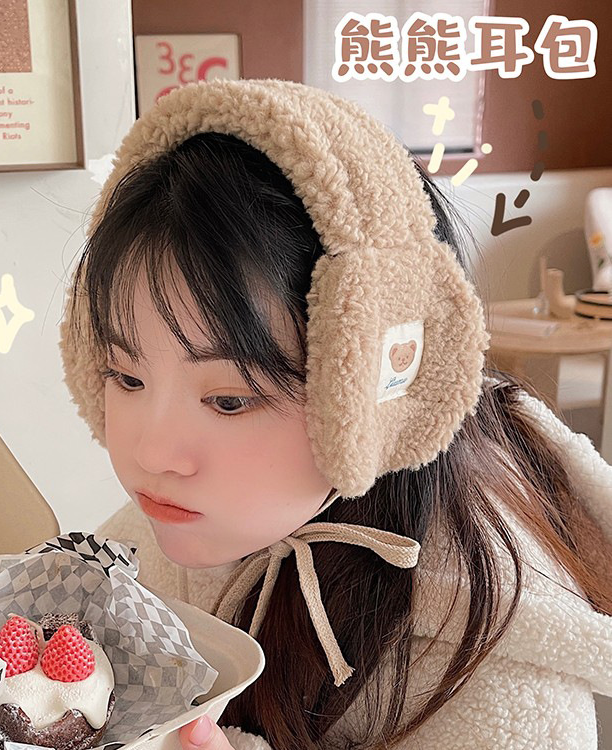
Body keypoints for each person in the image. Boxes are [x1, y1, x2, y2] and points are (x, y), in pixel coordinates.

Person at [59, 79, 612, 750]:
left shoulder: (494, 668)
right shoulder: (160, 532)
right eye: (126, 377)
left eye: (229, 400)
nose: (152, 453)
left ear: (369, 391)